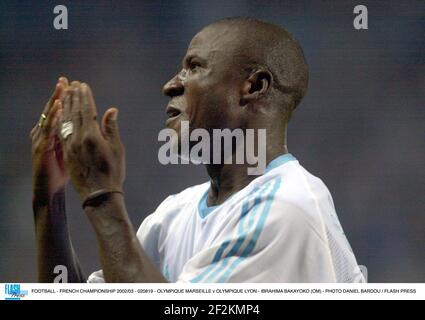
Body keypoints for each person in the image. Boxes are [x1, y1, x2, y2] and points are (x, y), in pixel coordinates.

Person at [30, 17, 364, 283]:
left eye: (194, 67)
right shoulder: (173, 215)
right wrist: (49, 200)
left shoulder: (287, 208)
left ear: (254, 86)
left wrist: (102, 196)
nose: (171, 84)